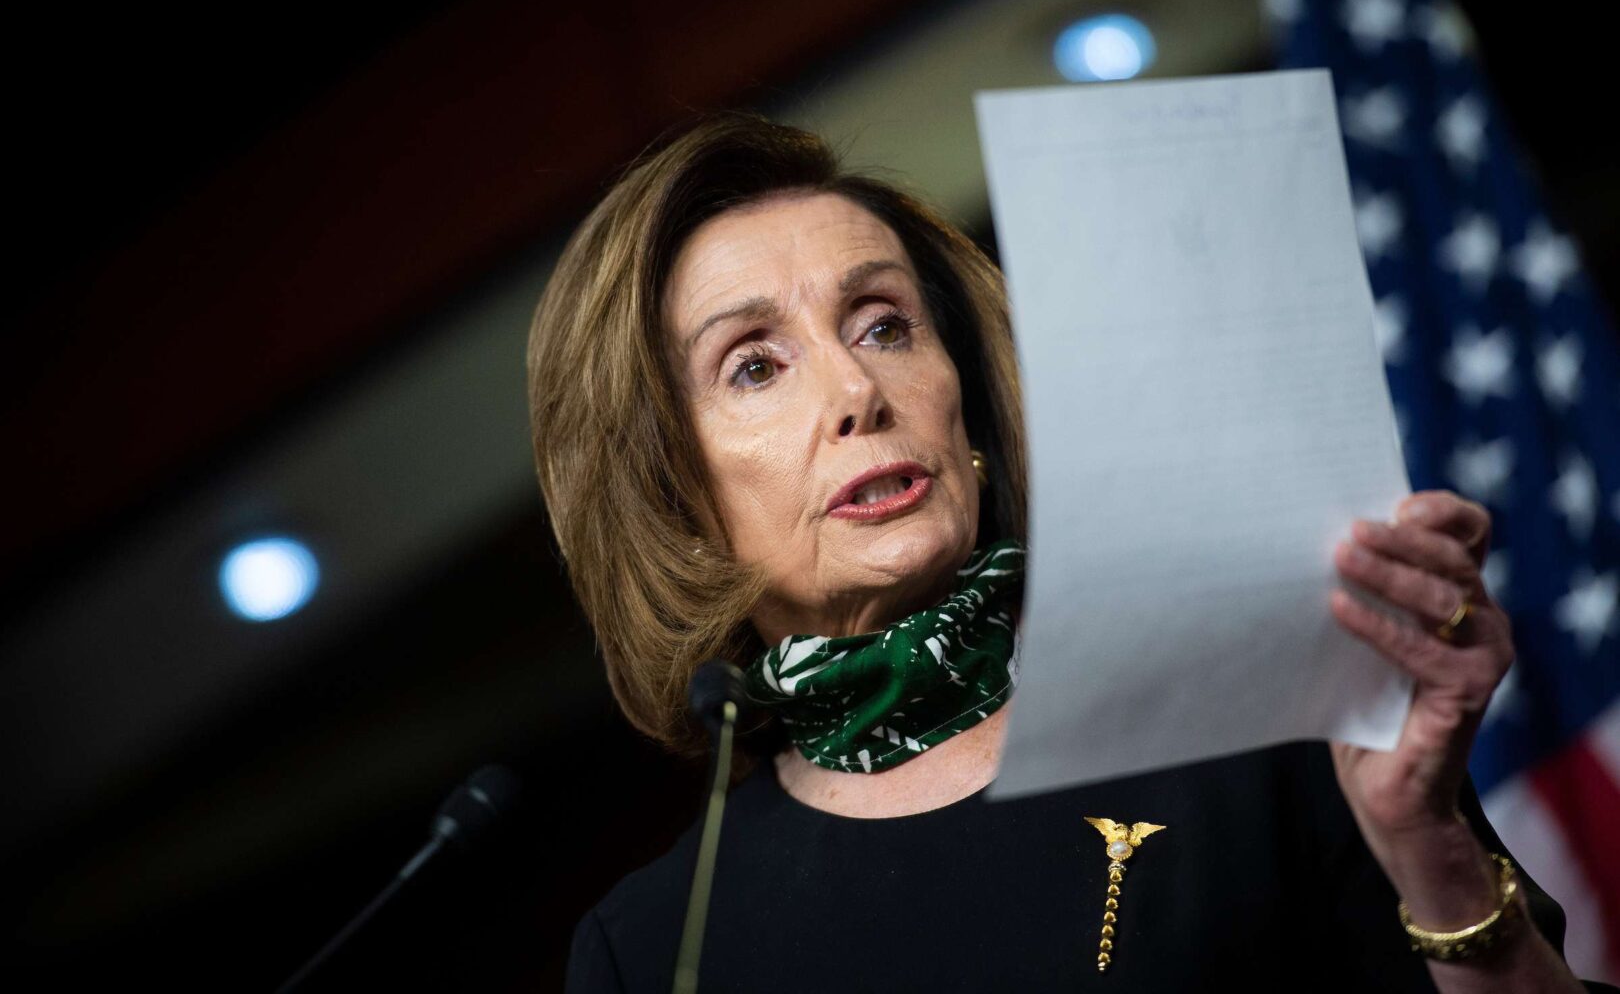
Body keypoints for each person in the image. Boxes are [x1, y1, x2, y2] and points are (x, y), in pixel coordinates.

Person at [528, 113, 1602, 992]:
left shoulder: (1258, 709)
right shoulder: (651, 951)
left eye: (884, 325)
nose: (859, 393)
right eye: (755, 366)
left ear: (970, 403)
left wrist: (1430, 853)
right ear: (671, 495)